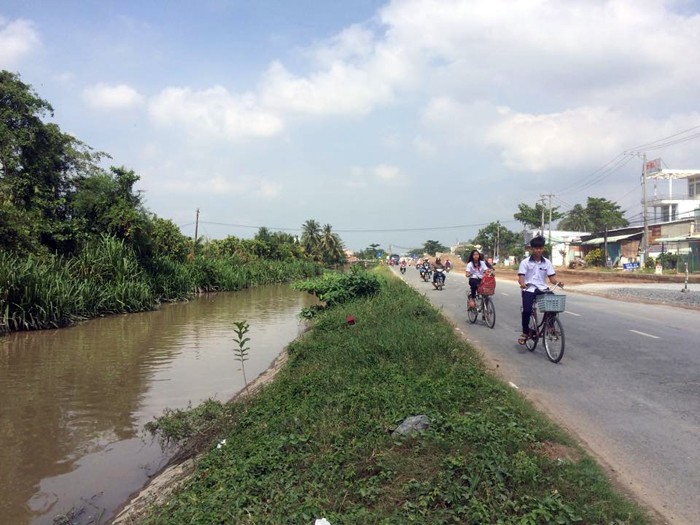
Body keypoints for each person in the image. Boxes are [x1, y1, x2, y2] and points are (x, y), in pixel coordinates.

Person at [517, 235, 563, 344]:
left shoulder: (547, 262)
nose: (539, 250)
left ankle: (550, 327)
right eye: (536, 248)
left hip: (542, 289)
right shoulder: (525, 262)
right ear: (532, 249)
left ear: (543, 248)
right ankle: (525, 332)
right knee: (527, 311)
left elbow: (552, 278)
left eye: (541, 248)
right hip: (529, 289)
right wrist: (522, 284)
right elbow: (521, 277)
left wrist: (558, 283)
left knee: (553, 303)